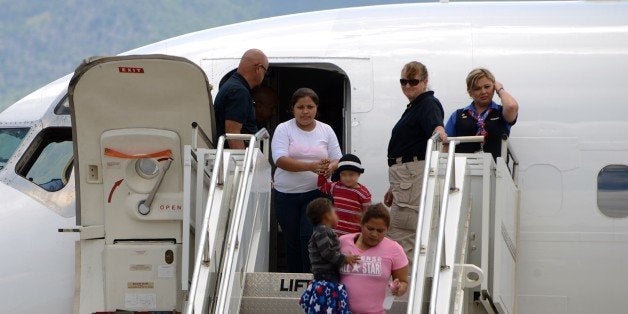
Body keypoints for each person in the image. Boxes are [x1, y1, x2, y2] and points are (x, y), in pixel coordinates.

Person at [272, 87, 343, 273]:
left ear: (316, 108)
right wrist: (311, 166)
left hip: (316, 194)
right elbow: (279, 159)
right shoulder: (283, 129)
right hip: (286, 194)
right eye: (300, 107)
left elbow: (338, 159)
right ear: (292, 109)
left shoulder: (326, 130)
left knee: (309, 236)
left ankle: (310, 279)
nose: (305, 111)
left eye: (310, 107)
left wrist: (330, 167)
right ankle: (294, 280)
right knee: (292, 240)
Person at [384, 61, 446, 265]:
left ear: (425, 81)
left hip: (411, 174)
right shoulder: (415, 106)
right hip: (406, 177)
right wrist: (395, 185)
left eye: (413, 81)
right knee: (401, 232)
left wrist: (441, 135)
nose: (408, 86)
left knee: (401, 233)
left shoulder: (427, 104)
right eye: (404, 81)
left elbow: (436, 130)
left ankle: (404, 289)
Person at [339, 203, 409, 314]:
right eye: (370, 228)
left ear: (387, 229)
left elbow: (403, 282)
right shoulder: (342, 242)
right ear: (361, 224)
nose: (374, 234)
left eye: (380, 231)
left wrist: (398, 288)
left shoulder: (394, 249)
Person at [299, 198, 359, 314]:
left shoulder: (322, 231)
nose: (337, 216)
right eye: (334, 212)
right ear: (327, 216)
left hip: (328, 277)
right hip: (326, 279)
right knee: (328, 308)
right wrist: (345, 259)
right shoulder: (322, 231)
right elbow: (327, 252)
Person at [444, 68, 519, 159]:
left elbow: (512, 106)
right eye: (477, 88)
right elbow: (445, 145)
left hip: (497, 171)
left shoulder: (502, 112)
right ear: (470, 93)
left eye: (487, 86)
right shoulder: (457, 115)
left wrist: (500, 89)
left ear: (493, 87)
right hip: (464, 170)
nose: (483, 92)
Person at [214, 48, 269, 148]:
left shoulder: (233, 86)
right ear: (258, 69)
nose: (264, 76)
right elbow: (233, 135)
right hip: (237, 160)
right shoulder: (239, 91)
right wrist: (244, 162)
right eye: (265, 72)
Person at [318, 154, 371, 236]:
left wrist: (364, 235)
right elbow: (321, 186)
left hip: (353, 236)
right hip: (335, 235)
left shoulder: (364, 194)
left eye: (351, 174)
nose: (347, 178)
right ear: (339, 174)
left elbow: (367, 216)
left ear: (359, 174)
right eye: (343, 174)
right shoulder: (335, 187)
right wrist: (323, 170)